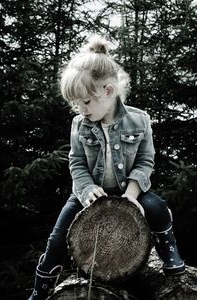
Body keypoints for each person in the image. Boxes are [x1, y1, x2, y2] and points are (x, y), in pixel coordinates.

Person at [28, 35, 185, 300]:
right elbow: (76, 162)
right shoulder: (80, 125)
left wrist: (132, 197)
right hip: (90, 192)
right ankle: (40, 289)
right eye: (75, 104)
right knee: (57, 236)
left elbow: (146, 161)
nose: (81, 109)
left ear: (108, 91)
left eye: (86, 102)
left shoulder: (140, 120)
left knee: (158, 208)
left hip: (129, 189)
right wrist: (87, 188)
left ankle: (169, 250)